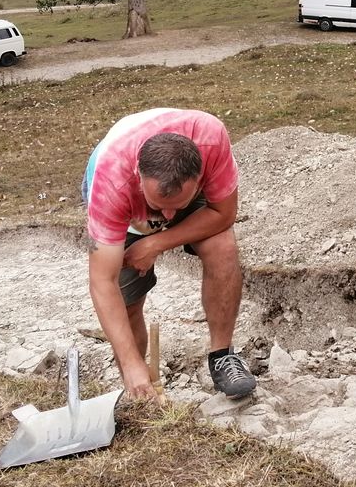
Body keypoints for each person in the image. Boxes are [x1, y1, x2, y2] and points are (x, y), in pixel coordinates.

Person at [83, 108, 256, 400]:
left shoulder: (211, 139)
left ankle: (223, 357)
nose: (167, 216)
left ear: (200, 176)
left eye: (177, 206)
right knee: (128, 301)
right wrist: (131, 363)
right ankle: (138, 384)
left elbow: (223, 214)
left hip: (175, 187)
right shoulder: (111, 183)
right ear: (138, 176)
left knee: (222, 246)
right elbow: (103, 282)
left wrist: (155, 243)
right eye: (159, 205)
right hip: (122, 198)